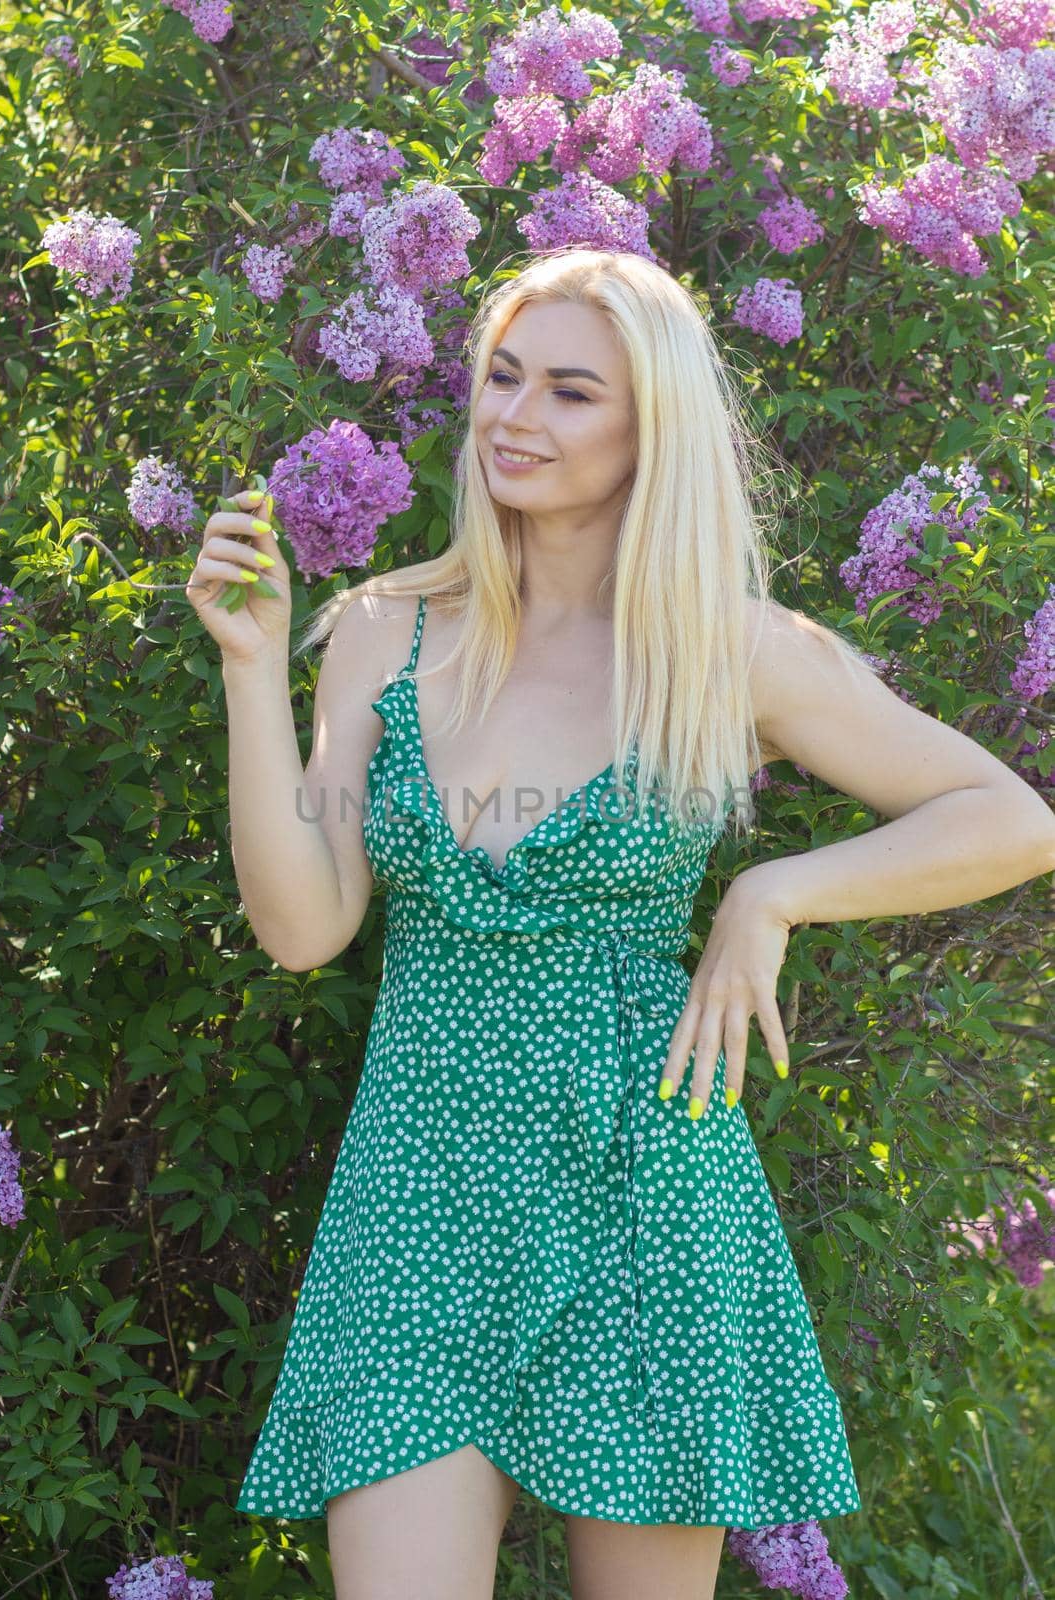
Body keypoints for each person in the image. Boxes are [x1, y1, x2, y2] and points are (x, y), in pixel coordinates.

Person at [187, 247, 1055, 1600]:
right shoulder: (384, 630)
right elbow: (306, 929)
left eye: (572, 392)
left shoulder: (727, 648)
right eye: (502, 376)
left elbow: (1009, 817)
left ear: (652, 426)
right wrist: (253, 671)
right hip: (423, 1193)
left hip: (647, 1179)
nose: (515, 417)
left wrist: (775, 894)